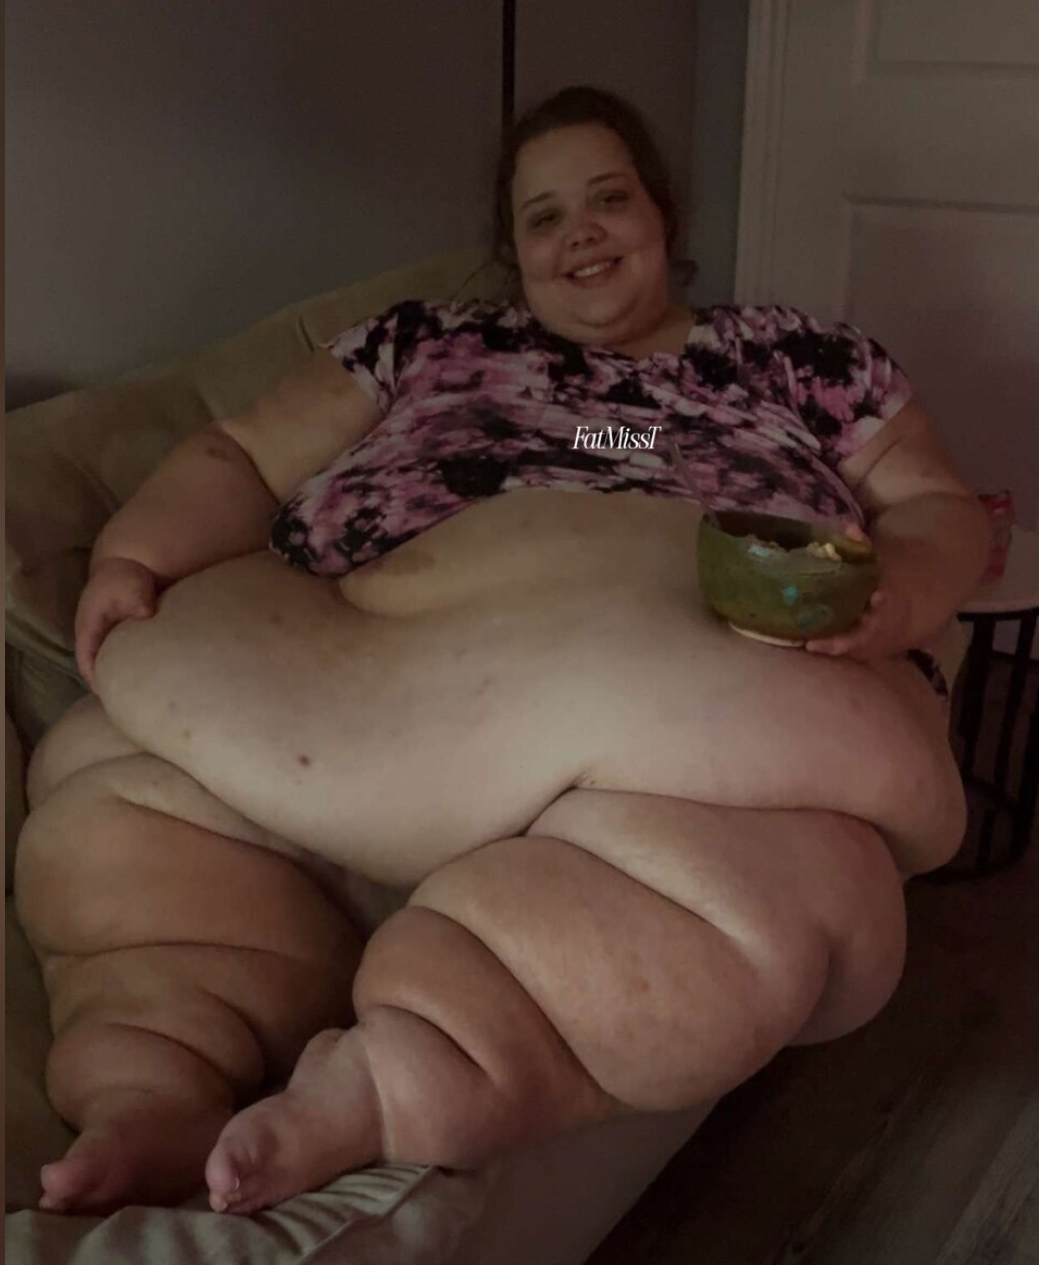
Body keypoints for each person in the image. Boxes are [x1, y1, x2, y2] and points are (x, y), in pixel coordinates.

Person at [16, 86, 989, 1218]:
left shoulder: (799, 357)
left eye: (608, 199)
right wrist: (134, 553)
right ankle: (152, 1082)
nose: (580, 233)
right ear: (512, 251)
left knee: (778, 893)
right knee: (110, 809)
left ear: (663, 218)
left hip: (675, 719)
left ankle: (399, 1077)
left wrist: (896, 594)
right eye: (543, 216)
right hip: (355, 673)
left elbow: (936, 506)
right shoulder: (422, 341)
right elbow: (238, 455)